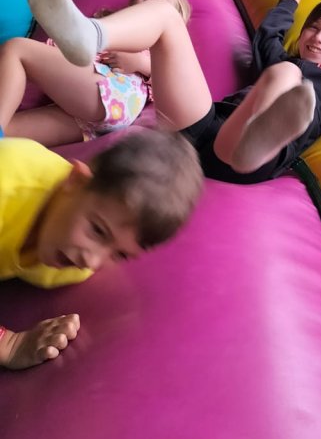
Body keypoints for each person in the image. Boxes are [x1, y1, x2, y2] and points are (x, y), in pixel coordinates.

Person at [26, 0, 321, 184]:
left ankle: (251, 141)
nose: (318, 38)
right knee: (169, 16)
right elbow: (267, 36)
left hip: (260, 156)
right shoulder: (280, 58)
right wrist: (292, 0)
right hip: (203, 131)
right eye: (314, 28)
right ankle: (91, 34)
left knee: (285, 78)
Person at [0, 129, 203, 370]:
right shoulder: (7, 184)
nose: (92, 260)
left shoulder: (69, 262)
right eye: (97, 230)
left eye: (120, 254)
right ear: (75, 181)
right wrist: (7, 343)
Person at [1, 0, 191, 147]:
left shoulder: (161, 43)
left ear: (176, 18)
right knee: (8, 131)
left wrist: (140, 62)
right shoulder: (110, 25)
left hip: (111, 94)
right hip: (84, 114)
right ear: (130, 4)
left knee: (16, 48)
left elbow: (173, 84)